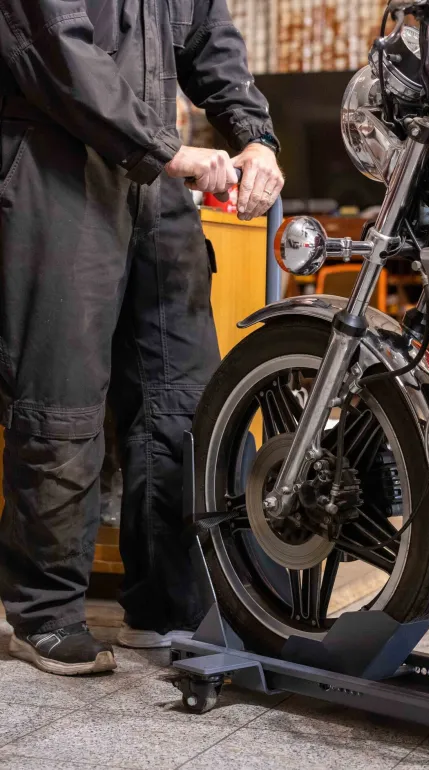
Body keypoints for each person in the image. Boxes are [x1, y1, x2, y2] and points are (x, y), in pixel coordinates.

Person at [0, 0, 284, 676]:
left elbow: (210, 40)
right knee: (61, 395)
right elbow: (56, 48)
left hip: (155, 182)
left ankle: (165, 605)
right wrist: (168, 149)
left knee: (181, 399)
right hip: (55, 169)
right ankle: (46, 615)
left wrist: (256, 137)